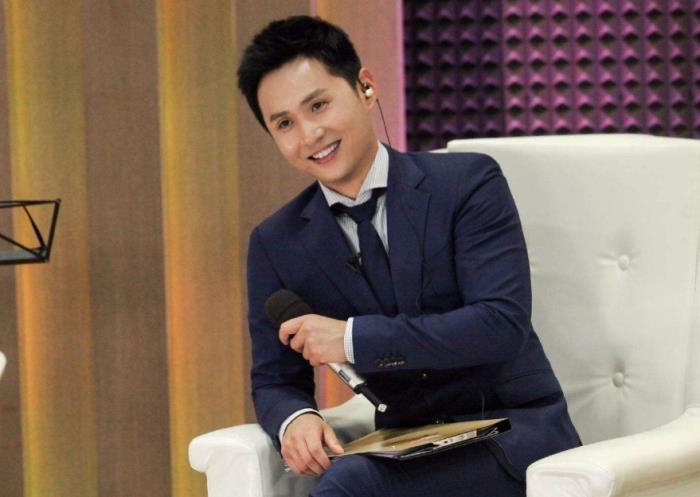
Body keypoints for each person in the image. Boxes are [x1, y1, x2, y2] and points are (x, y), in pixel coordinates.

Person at [237, 15, 580, 497]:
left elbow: (500, 324)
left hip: (513, 435)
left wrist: (352, 339)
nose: (309, 134)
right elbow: (274, 379)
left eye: (318, 105)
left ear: (366, 87)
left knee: (349, 485)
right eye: (285, 123)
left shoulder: (467, 183)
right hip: (404, 445)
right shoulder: (276, 242)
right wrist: (296, 418)